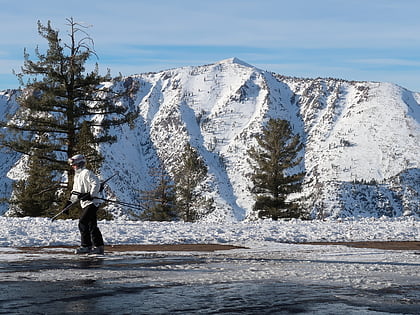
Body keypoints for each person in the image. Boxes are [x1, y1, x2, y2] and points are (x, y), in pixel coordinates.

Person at [68, 154, 105, 255]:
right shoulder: (77, 176)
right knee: (91, 224)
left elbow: (96, 183)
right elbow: (75, 191)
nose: (73, 167)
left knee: (83, 222)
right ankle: (98, 247)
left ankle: (86, 246)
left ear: (80, 164)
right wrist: (70, 202)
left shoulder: (87, 173)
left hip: (92, 202)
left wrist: (91, 195)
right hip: (85, 203)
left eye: (74, 165)